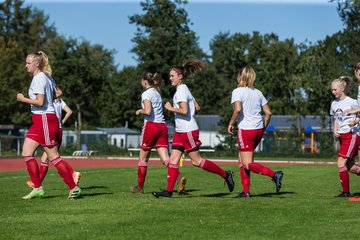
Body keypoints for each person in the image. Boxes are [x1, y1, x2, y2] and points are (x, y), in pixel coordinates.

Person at [152, 59, 235, 198]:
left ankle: (226, 175)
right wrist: (188, 107)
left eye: (172, 75)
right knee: (173, 161)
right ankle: (168, 192)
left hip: (188, 131)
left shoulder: (181, 91)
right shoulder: (184, 89)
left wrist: (170, 108)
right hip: (180, 131)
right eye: (170, 76)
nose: (170, 78)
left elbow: (185, 111)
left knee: (197, 161)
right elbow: (197, 107)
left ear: (180, 76)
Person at [17, 51, 81, 199]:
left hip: (44, 118)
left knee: (53, 157)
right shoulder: (46, 77)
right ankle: (37, 187)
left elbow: (40, 102)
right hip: (39, 119)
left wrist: (23, 99)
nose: (26, 65)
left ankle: (73, 187)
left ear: (36, 63)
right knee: (26, 152)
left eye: (28, 62)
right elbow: (55, 95)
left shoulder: (39, 78)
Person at [227, 66, 283, 198]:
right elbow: (268, 113)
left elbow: (237, 109)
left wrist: (231, 123)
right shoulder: (258, 92)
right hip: (258, 130)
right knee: (242, 160)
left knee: (247, 164)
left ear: (241, 76)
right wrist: (262, 128)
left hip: (246, 130)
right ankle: (245, 191)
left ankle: (274, 175)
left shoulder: (237, 91)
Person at [129, 72, 186, 194]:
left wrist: (140, 111)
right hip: (162, 126)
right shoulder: (157, 92)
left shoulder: (146, 93)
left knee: (143, 159)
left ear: (144, 82)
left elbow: (148, 111)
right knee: (166, 160)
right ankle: (179, 177)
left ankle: (139, 187)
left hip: (151, 126)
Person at [26, 94, 82, 188]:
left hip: (51, 129)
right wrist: (62, 121)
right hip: (58, 129)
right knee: (47, 158)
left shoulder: (49, 102)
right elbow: (69, 111)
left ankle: (72, 173)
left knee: (53, 157)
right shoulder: (60, 101)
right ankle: (37, 183)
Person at [330, 76, 360, 197]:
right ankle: (346, 191)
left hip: (351, 135)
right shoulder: (333, 104)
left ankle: (346, 192)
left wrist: (356, 121)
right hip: (342, 137)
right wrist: (335, 130)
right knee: (351, 168)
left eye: (335, 89)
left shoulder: (352, 102)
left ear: (342, 88)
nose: (333, 92)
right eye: (332, 90)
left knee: (340, 163)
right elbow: (336, 119)